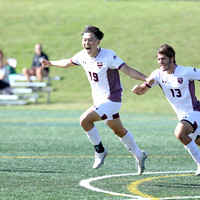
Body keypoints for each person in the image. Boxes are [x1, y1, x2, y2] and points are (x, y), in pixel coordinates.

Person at [42, 25, 149, 175]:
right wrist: (50, 63)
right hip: (99, 102)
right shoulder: (82, 55)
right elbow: (66, 62)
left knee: (84, 120)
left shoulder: (109, 56)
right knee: (119, 131)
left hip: (112, 99)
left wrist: (147, 79)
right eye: (84, 40)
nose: (87, 43)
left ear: (98, 42)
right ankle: (139, 154)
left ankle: (100, 151)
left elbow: (128, 70)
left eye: (90, 40)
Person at [132, 44, 200, 176]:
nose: (160, 62)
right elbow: (143, 90)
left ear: (172, 58)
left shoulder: (186, 71)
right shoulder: (157, 74)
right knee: (194, 140)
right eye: (158, 59)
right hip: (184, 117)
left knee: (180, 133)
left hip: (196, 112)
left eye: (163, 59)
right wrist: (138, 89)